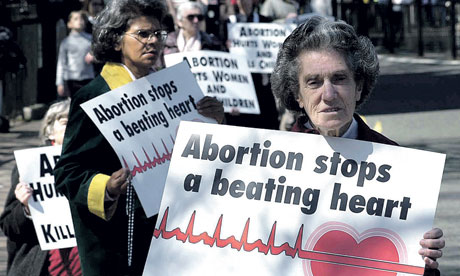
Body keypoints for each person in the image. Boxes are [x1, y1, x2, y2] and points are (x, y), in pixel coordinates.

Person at [53, 0, 224, 275]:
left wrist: (214, 121)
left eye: (158, 34)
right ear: (116, 41)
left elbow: (200, 159)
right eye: (143, 34)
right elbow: (66, 173)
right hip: (117, 244)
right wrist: (106, 187)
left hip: (172, 234)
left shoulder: (175, 88)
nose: (153, 41)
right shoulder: (95, 96)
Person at [271, 16, 445, 275]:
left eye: (339, 78)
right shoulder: (266, 163)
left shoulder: (398, 163)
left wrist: (424, 262)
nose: (328, 94)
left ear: (359, 87)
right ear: (297, 94)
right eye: (314, 82)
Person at [0, 99, 82, 276]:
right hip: (45, 268)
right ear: (50, 131)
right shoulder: (30, 165)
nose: (74, 128)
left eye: (79, 122)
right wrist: (26, 209)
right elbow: (9, 226)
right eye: (67, 123)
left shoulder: (93, 163)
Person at [224, 0, 280, 130]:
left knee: (267, 124)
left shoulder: (265, 21)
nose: (244, 2)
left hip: (262, 84)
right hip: (239, 85)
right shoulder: (229, 23)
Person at [56, 10, 95, 98]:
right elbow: (61, 63)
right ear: (69, 24)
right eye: (76, 19)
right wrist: (60, 83)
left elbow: (98, 55)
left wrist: (94, 57)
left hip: (88, 78)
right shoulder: (66, 42)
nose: (80, 21)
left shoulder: (90, 39)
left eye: (82, 19)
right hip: (71, 79)